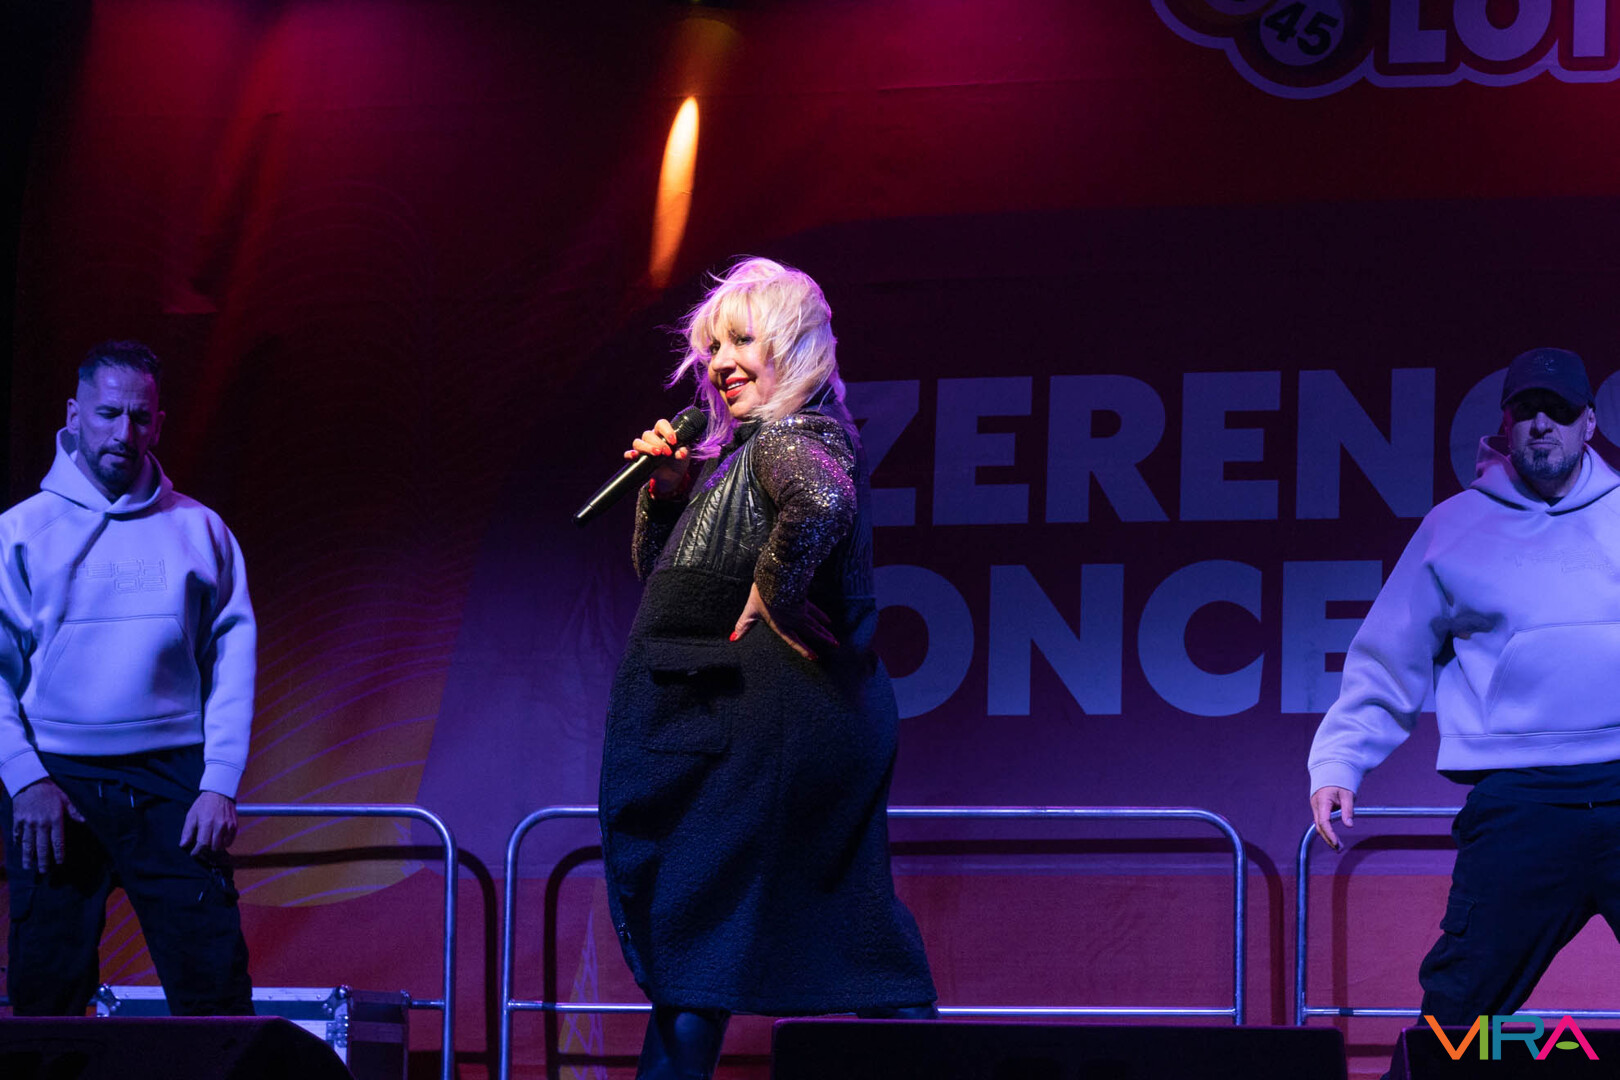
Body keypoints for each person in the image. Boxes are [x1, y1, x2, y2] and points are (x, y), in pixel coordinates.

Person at [599, 258, 936, 1079]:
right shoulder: (747, 451)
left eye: (743, 341)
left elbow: (823, 502)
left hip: (773, 730)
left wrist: (776, 588)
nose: (721, 364)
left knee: (703, 930)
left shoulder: (791, 439)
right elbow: (672, 585)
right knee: (833, 929)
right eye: (713, 348)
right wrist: (668, 491)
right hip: (768, 729)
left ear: (796, 348)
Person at [1308, 346, 1620, 1024]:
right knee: (1460, 1012)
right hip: (1522, 802)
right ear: (1506, 424)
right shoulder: (1452, 528)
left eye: (1559, 410)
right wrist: (1339, 760)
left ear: (1589, 423)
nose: (1543, 424)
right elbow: (1389, 657)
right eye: (1527, 410)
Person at [0, 340, 255, 1016]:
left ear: (158, 423)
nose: (123, 432)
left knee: (215, 992)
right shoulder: (20, 531)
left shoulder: (201, 530)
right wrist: (24, 779)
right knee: (46, 994)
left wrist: (219, 782)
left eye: (139, 417)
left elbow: (232, 662)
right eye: (108, 413)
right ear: (74, 414)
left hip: (174, 781)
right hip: (56, 782)